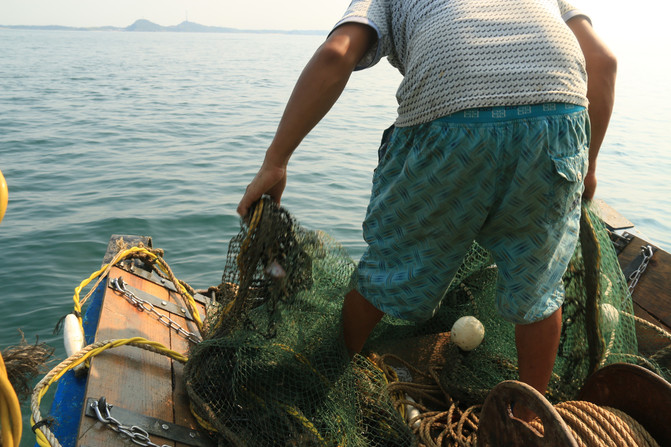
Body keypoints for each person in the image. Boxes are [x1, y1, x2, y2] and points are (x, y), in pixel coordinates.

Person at [237, 0, 616, 417]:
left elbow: (335, 54)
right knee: (539, 287)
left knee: (389, 272)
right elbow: (603, 61)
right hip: (559, 118)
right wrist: (590, 163)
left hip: (450, 120)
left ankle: (322, 383)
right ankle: (525, 424)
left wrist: (276, 160)